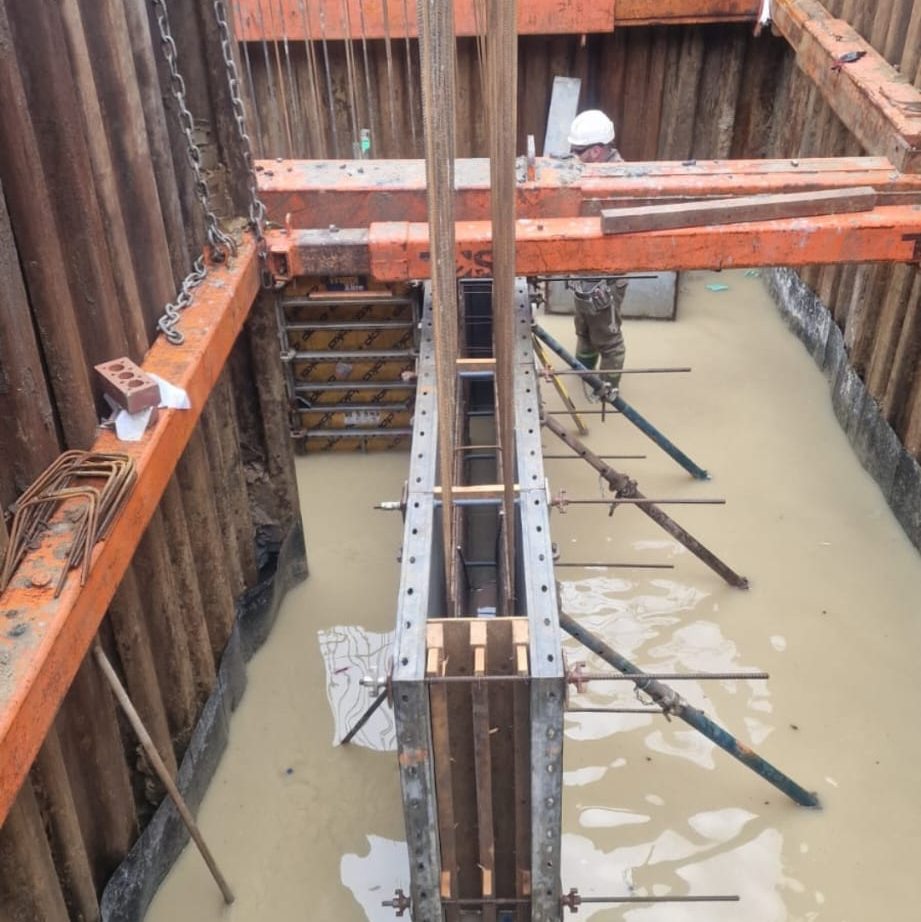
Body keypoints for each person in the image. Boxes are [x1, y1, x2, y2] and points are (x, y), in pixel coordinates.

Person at [567, 110, 627, 396]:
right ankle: (584, 380)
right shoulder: (589, 171)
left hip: (606, 273)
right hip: (584, 268)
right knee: (584, 331)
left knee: (609, 339)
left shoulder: (618, 180)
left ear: (598, 150)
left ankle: (606, 393)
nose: (574, 156)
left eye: (579, 151)